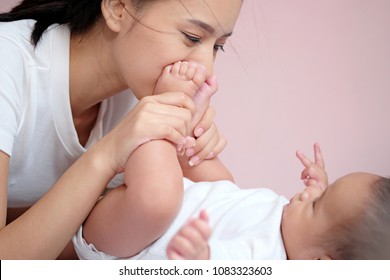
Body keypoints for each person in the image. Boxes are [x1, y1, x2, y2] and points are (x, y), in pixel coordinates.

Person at [0, 0, 243, 259]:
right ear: (117, 8)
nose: (206, 69)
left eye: (218, 47)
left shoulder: (144, 89)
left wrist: (189, 146)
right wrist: (106, 156)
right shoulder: (8, 63)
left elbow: (219, 212)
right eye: (192, 38)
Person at [74, 141, 390, 260]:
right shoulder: (296, 234)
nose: (309, 194)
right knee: (223, 180)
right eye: (323, 189)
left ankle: (163, 114)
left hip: (128, 241)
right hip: (164, 210)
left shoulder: (263, 258)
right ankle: (187, 127)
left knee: (158, 186)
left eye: (316, 204)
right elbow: (329, 220)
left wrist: (199, 255)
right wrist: (319, 187)